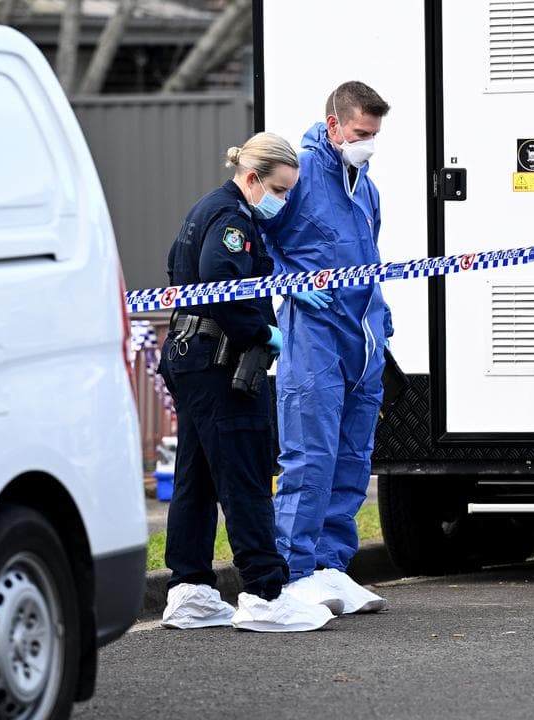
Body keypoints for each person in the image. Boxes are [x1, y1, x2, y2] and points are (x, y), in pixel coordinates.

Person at [158, 132, 334, 633]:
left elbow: (177, 271)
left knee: (197, 476)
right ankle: (264, 593)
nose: (282, 201)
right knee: (246, 473)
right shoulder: (234, 219)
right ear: (253, 178)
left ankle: (190, 590)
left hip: (192, 356)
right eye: (279, 190)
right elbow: (223, 289)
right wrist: (263, 331)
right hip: (220, 362)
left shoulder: (206, 208)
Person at [258, 81, 392, 615]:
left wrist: (382, 319)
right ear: (334, 125)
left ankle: (332, 566)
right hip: (314, 330)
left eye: (375, 134)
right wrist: (288, 282)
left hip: (362, 336)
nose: (369, 143)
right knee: (309, 454)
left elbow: (370, 257)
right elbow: (261, 238)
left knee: (352, 456)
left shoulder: (365, 186)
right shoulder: (302, 172)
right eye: (362, 133)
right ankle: (294, 573)